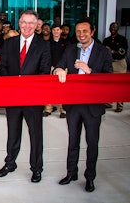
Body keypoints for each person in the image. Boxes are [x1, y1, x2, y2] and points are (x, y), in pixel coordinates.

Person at [54, 18, 113, 192]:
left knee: (92, 142)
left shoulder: (103, 52)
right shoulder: (71, 49)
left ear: (92, 32)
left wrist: (90, 72)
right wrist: (58, 70)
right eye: (78, 31)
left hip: (93, 105)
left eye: (85, 31)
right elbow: (60, 65)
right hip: (73, 103)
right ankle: (71, 173)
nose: (81, 35)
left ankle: (90, 177)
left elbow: (108, 78)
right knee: (73, 140)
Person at [0, 10, 51, 183]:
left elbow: (44, 72)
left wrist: (27, 85)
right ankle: (10, 163)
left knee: (35, 134)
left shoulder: (43, 45)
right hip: (13, 97)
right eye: (23, 22)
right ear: (19, 23)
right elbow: (2, 67)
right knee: (13, 133)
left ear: (36, 26)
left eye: (30, 23)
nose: (27, 26)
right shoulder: (9, 43)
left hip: (33, 99)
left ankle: (36, 168)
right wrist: (12, 84)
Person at [43, 24, 68, 118]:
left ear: (61, 31)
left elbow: (67, 56)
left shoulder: (66, 43)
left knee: (62, 89)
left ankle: (63, 110)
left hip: (62, 68)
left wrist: (61, 67)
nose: (56, 32)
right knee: (48, 89)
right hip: (50, 67)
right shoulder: (47, 43)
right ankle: (48, 109)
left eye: (58, 30)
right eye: (54, 30)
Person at [102, 22, 128, 112]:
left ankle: (119, 105)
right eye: (112, 27)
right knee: (108, 84)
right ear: (109, 29)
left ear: (117, 29)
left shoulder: (122, 39)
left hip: (119, 63)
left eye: (115, 28)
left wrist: (112, 51)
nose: (113, 29)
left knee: (120, 85)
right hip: (109, 63)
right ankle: (108, 102)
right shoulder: (106, 40)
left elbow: (122, 52)